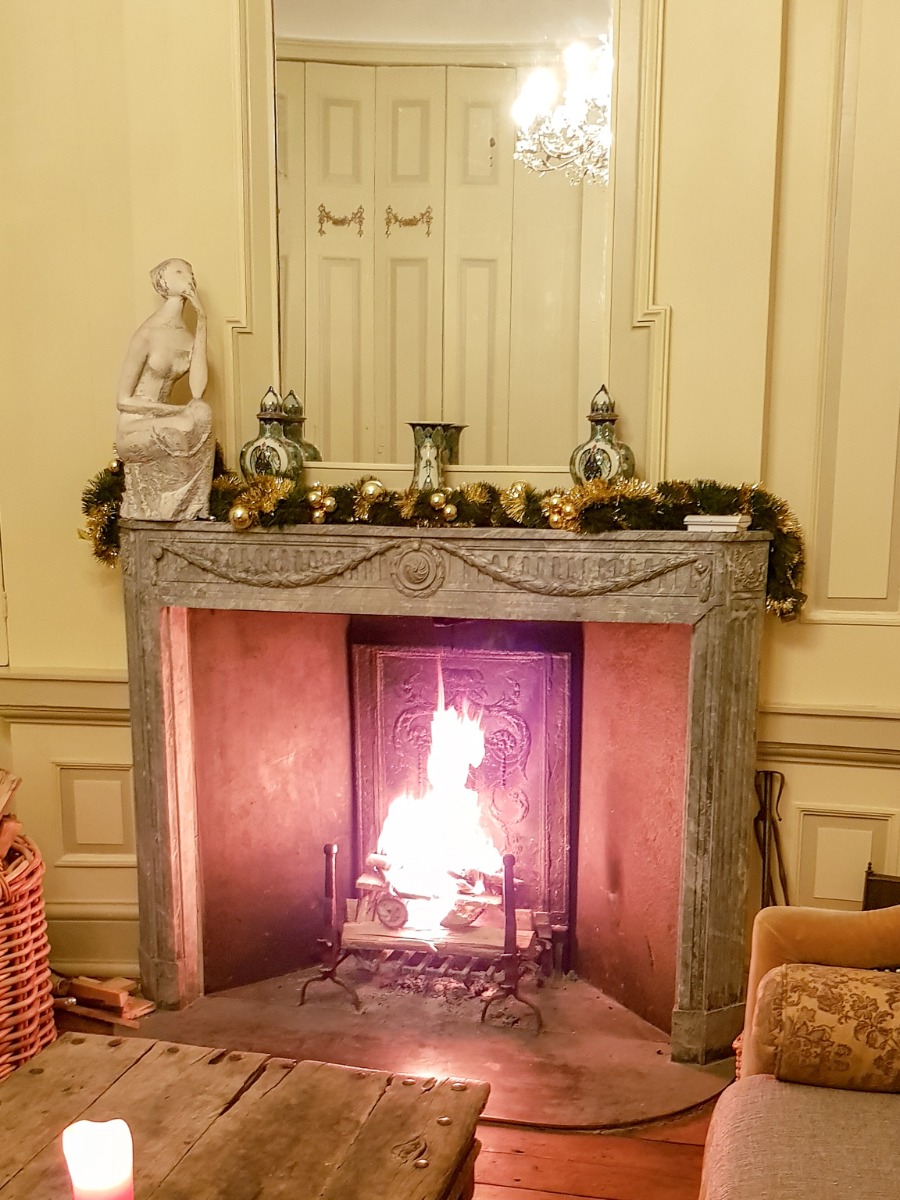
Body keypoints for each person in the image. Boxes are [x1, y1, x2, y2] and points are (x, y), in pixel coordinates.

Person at [115, 258, 214, 519]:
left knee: (203, 413)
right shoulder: (147, 332)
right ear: (163, 282)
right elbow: (123, 400)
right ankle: (170, 506)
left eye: (191, 271)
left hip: (169, 418)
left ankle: (192, 506)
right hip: (134, 424)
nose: (189, 276)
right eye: (180, 271)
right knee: (181, 425)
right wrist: (173, 410)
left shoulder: (187, 336)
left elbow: (197, 391)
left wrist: (202, 320)